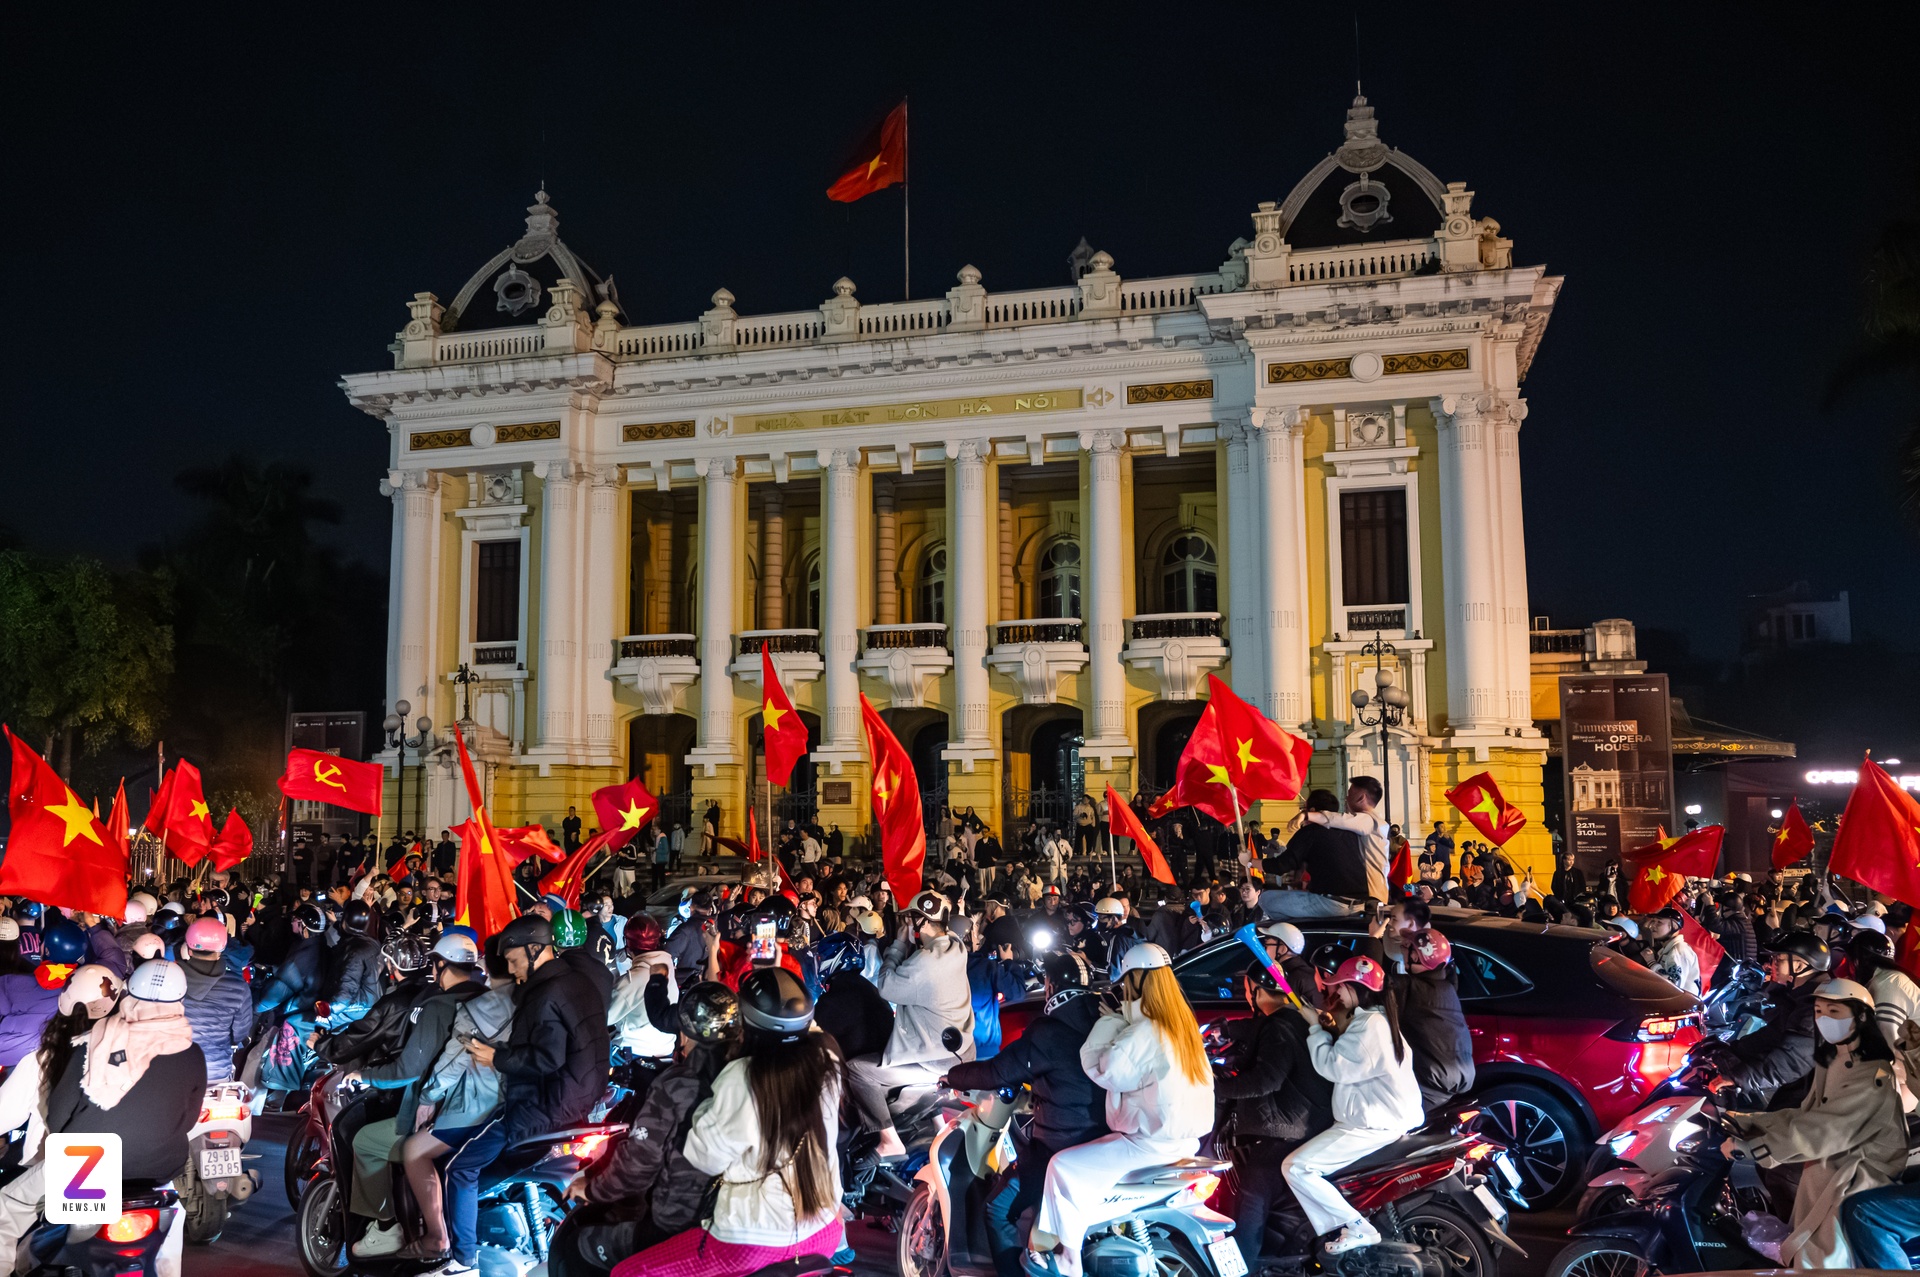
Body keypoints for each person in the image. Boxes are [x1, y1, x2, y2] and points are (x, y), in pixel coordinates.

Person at [610, 968, 845, 1277]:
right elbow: (808, 1028)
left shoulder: (741, 1078)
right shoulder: (827, 1060)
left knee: (627, 1273)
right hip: (825, 1230)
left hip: (751, 1241)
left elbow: (703, 1157)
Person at [0, 960, 206, 1277]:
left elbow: (57, 1118)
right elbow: (189, 1119)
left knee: (7, 1206)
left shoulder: (91, 1043)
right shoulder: (192, 1052)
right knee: (171, 1226)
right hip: (158, 1171)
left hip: (86, 1168)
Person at [434, 914, 612, 1277]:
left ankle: (463, 1262)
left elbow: (546, 1058)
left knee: (459, 1169)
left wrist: (495, 1057)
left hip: (542, 1107)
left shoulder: (544, 993)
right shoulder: (580, 980)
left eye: (515, 962)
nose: (514, 972)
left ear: (535, 950)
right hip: (581, 1103)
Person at [1030, 944, 1212, 1277]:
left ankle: (1069, 1259)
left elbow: (1102, 1069)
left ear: (1137, 981)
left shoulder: (1146, 1031)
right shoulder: (1182, 1026)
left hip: (1148, 1144)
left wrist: (1110, 1021)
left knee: (1061, 1167)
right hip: (1186, 1144)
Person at [550, 983, 742, 1277]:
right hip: (734, 1221)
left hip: (677, 1225)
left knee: (578, 1248)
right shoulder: (750, 1075)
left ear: (685, 1032)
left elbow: (637, 1166)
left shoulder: (678, 1083)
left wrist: (592, 1189)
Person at [1724, 978, 1907, 1267]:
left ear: (1860, 1017)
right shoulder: (1833, 1059)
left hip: (1861, 1168)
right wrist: (1751, 1121)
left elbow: (1828, 1130)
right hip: (1832, 1159)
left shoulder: (1873, 1073)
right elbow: (1807, 1115)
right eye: (1819, 1012)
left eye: (1834, 1012)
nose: (1823, 1019)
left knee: (1824, 1252)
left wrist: (1759, 1148)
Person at [946, 950, 1108, 1277]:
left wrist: (953, 1076)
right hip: (1103, 1140)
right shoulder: (1102, 1020)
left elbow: (998, 1071)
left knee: (998, 1209)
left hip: (1060, 1145)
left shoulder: (1049, 1031)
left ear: (1050, 987)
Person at [347, 932, 490, 1259]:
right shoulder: (487, 998)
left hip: (442, 1112)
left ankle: (386, 1228)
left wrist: (363, 1074)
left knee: (367, 1141)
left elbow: (408, 1069)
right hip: (484, 1110)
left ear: (439, 965)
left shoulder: (438, 1005)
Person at [1281, 954, 1424, 1254]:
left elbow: (1332, 1066)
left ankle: (1357, 1226)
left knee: (1296, 1167)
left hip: (1372, 1124)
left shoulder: (1370, 1026)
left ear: (1356, 988)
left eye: (1340, 988)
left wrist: (1314, 1029)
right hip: (1382, 1119)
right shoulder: (1378, 1020)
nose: (1334, 993)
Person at [1215, 961, 1335, 1268]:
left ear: (1254, 989)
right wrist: (1225, 1028)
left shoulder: (1279, 1027)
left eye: (1246, 989)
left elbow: (1267, 1079)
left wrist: (1217, 1088)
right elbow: (1253, 1029)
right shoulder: (1290, 1018)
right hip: (1306, 1122)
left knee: (1249, 1202)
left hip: (1282, 1131)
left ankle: (1241, 1267)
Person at [846, 890, 975, 1158]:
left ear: (922, 921)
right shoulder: (955, 947)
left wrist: (899, 944)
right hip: (960, 1053)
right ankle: (939, 1127)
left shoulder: (924, 962)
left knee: (858, 1070)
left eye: (911, 919)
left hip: (933, 1061)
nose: (908, 923)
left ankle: (889, 1140)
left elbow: (886, 986)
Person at [1700, 931, 1828, 1110]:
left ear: (1799, 967)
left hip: (1805, 1098)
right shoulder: (1796, 997)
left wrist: (1739, 1077)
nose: (1770, 965)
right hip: (1794, 1088)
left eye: (1779, 959)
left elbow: (1792, 1061)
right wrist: (1729, 1050)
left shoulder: (1815, 1006)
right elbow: (1771, 1035)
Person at [179, 917, 255, 1084]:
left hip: (175, 1068)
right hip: (215, 1072)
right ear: (221, 950)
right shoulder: (238, 986)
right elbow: (240, 1034)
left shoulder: (172, 978)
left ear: (189, 949)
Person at [1303, 778, 1389, 902]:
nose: (1346, 798)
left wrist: (1306, 815)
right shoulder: (1372, 822)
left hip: (1370, 895)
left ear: (1361, 798)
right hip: (1370, 893)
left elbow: (1337, 819)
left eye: (1349, 794)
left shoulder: (1368, 821)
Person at [1280, 790, 1370, 900]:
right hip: (1362, 899)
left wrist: (1253, 861)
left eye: (1304, 809)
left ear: (1312, 811)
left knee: (1267, 898)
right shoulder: (1352, 833)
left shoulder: (1310, 832)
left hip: (1331, 901)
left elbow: (1282, 865)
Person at [1642, 907, 1702, 996]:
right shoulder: (1669, 948)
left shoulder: (1679, 950)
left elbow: (1673, 986)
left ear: (1674, 926)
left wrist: (1651, 962)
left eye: (1659, 922)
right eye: (1653, 921)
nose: (1653, 926)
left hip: (1681, 1006)